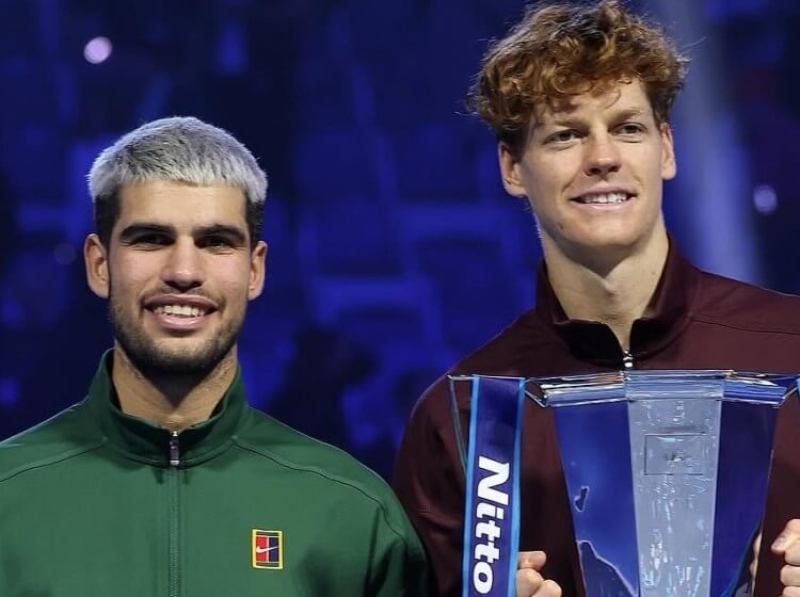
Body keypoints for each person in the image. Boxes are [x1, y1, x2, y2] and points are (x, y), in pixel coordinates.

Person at [393, 2, 800, 596]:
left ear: (665, 149)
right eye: (566, 134)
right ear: (512, 167)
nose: (603, 157)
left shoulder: (793, 346)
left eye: (628, 128)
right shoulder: (465, 417)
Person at [0, 116, 430, 596]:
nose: (184, 271)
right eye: (151, 239)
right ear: (99, 266)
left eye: (216, 242)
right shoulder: (8, 496)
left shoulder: (354, 512)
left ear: (254, 270)